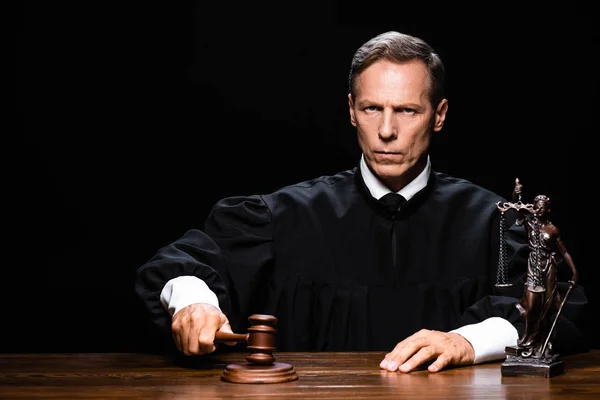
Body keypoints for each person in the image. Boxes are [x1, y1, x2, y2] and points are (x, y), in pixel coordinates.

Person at [135, 31, 586, 373]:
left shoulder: (494, 222)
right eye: (372, 109)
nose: (387, 130)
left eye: (407, 111)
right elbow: (183, 262)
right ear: (352, 110)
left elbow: (560, 307)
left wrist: (468, 342)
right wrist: (195, 302)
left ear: (440, 115)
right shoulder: (282, 216)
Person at [511, 179, 579, 356]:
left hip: (548, 268)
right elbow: (517, 210)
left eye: (542, 207)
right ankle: (528, 338)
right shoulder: (529, 223)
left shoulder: (552, 229)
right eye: (536, 206)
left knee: (546, 306)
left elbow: (563, 252)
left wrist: (574, 272)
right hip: (533, 266)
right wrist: (516, 192)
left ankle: (542, 342)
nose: (539, 209)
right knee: (531, 305)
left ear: (548, 209)